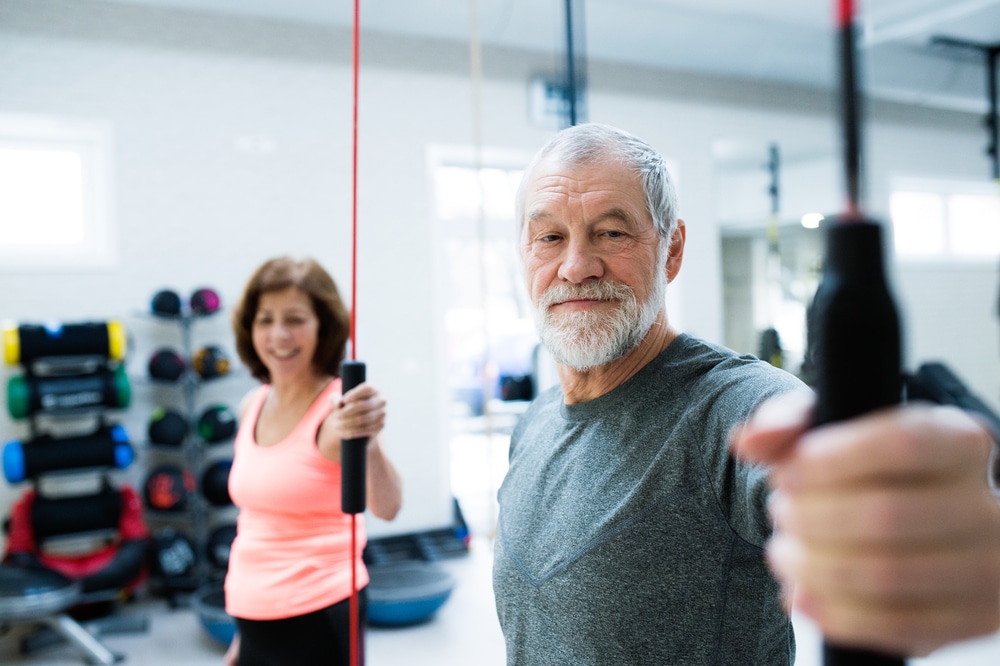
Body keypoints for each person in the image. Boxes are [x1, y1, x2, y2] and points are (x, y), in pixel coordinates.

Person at [492, 122, 1000, 664]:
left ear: (672, 249)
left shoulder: (737, 407)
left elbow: (816, 462)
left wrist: (919, 516)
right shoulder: (535, 423)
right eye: (550, 237)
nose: (576, 266)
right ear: (524, 254)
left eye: (612, 233)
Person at [223, 256, 402, 666]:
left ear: (324, 327)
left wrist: (369, 443)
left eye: (295, 319)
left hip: (318, 616)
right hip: (252, 618)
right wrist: (241, 643)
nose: (279, 334)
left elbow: (388, 508)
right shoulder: (252, 403)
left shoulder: (338, 412)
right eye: (265, 319)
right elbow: (258, 525)